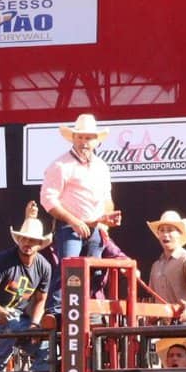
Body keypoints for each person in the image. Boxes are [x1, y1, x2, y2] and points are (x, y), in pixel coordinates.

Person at [39, 113, 120, 310]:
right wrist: (74, 220)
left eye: (88, 137)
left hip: (95, 227)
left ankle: (89, 311)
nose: (84, 142)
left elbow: (106, 198)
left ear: (95, 141)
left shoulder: (101, 166)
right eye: (81, 137)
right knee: (68, 270)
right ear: (73, 138)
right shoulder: (60, 165)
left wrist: (106, 219)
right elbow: (47, 199)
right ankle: (57, 312)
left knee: (94, 272)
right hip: (70, 226)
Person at [0, 209, 54, 372]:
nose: (27, 243)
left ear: (40, 244)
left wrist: (34, 324)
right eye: (24, 238)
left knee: (46, 343)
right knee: (10, 326)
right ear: (18, 239)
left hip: (20, 318)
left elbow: (40, 299)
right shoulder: (4, 259)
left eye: (32, 240)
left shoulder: (44, 266)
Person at [145, 210, 186, 323]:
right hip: (164, 324)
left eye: (169, 230)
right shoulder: (156, 266)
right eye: (162, 230)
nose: (165, 234)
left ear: (179, 234)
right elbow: (154, 296)